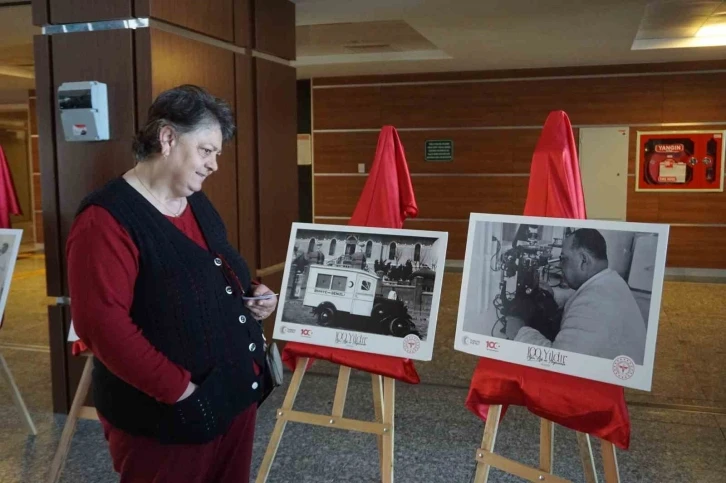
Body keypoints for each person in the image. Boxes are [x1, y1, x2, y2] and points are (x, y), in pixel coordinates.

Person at [66, 85, 278, 483]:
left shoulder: (195, 200)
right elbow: (103, 328)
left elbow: (205, 266)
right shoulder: (106, 219)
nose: (214, 164)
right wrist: (184, 394)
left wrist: (251, 291)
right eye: (206, 150)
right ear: (167, 138)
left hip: (230, 396)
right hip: (168, 415)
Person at [514, 228, 647, 365]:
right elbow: (582, 300)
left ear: (584, 260)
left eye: (564, 259)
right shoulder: (610, 281)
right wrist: (553, 297)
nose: (560, 265)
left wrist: (519, 331)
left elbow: (559, 362)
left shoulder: (593, 305)